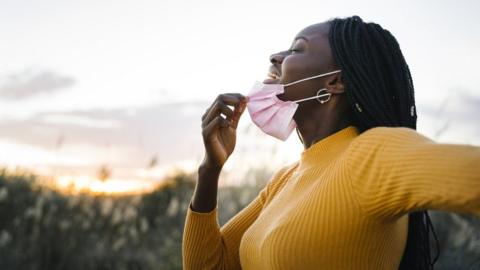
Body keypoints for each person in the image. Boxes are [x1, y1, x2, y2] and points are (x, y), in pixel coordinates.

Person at [182, 15, 480, 270]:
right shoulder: (285, 179)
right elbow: (212, 265)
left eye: (297, 49)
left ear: (335, 82)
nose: (275, 56)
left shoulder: (370, 155)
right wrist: (210, 169)